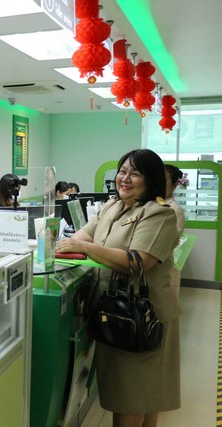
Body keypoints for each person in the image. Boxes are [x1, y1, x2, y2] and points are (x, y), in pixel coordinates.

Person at [56, 149, 180, 427]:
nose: (125, 178)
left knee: (135, 395)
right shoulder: (112, 206)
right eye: (122, 171)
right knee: (137, 393)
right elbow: (82, 235)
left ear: (150, 179)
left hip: (141, 316)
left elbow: (138, 261)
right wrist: (64, 245)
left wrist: (85, 247)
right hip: (115, 310)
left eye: (134, 173)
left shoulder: (159, 214)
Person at [164, 164, 186, 235]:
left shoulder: (174, 209)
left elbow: (176, 237)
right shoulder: (151, 203)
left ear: (174, 186)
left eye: (163, 180)